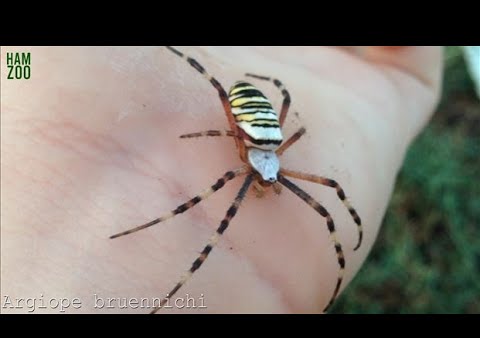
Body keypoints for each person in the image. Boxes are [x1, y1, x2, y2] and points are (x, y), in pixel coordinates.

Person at [1, 46, 442, 313]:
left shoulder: (280, 163)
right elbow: (205, 194)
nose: (269, 183)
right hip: (254, 126)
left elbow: (336, 198)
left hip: (261, 132)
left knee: (325, 205)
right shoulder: (243, 156)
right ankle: (160, 254)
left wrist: (355, 231)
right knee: (216, 207)